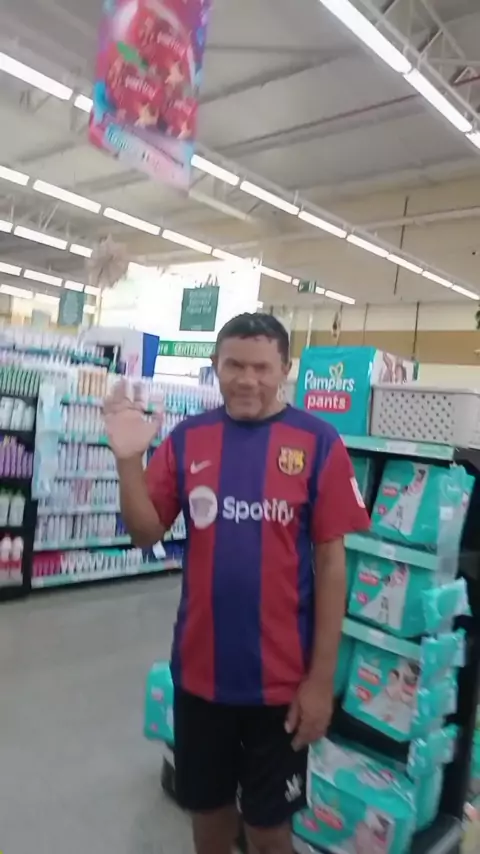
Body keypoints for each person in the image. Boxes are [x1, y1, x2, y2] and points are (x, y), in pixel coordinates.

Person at [104, 313, 370, 854]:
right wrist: (128, 461)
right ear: (215, 367)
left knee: (270, 832)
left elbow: (331, 565)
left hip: (281, 685)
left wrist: (321, 681)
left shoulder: (318, 442)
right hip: (200, 677)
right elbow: (145, 532)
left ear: (285, 369)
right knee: (209, 823)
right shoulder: (189, 439)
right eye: (234, 366)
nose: (247, 380)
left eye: (262, 368)